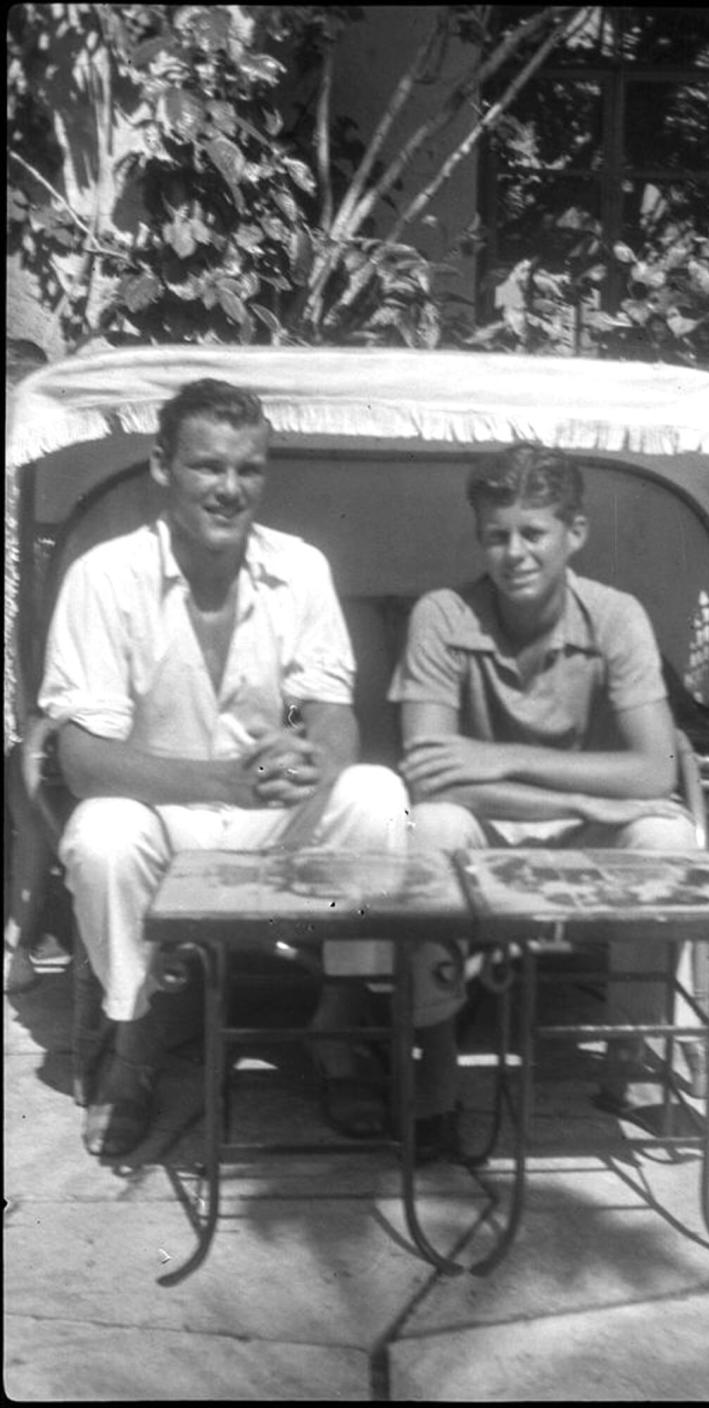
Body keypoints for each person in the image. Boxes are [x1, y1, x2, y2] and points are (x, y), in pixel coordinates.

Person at [39, 378, 416, 1159]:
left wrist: (315, 757)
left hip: (266, 816)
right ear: (161, 467)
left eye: (249, 469)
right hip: (160, 811)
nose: (230, 489)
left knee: (379, 796)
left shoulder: (299, 568)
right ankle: (134, 1049)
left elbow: (332, 710)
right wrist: (221, 783)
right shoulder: (105, 577)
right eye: (208, 468)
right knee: (100, 835)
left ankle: (339, 1028)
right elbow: (80, 761)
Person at [389, 443, 704, 1136]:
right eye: (497, 536)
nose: (515, 554)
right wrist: (587, 797)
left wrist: (495, 757)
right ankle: (436, 1060)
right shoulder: (442, 615)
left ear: (575, 534)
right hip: (494, 826)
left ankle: (633, 1052)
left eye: (534, 533)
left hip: (582, 832)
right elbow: (430, 774)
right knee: (433, 827)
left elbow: (654, 772)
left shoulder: (616, 616)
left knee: (667, 835)